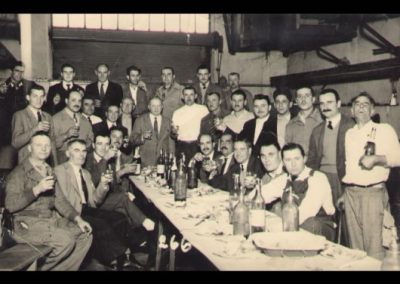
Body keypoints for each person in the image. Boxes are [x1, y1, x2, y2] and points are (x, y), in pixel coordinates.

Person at [5, 132, 92, 271]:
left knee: (84, 235)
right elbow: (10, 205)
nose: (44, 148)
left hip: (48, 220)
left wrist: (78, 219)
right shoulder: (18, 173)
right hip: (26, 224)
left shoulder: (49, 170)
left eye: (47, 145)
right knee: (66, 241)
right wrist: (37, 189)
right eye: (39, 145)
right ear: (29, 148)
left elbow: (60, 200)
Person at [339, 92, 400, 260]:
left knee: (375, 249)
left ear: (372, 110)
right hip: (351, 194)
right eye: (357, 104)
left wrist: (377, 159)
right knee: (355, 250)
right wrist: (345, 192)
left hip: (373, 194)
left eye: (365, 104)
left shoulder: (384, 130)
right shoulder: (349, 134)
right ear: (351, 111)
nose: (361, 107)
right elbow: (349, 166)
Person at [54, 139, 132, 269]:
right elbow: (61, 200)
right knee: (101, 224)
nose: (81, 154)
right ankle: (117, 258)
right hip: (73, 212)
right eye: (76, 150)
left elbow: (94, 201)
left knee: (119, 218)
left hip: (87, 208)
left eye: (84, 151)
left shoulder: (86, 173)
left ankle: (114, 258)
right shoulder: (59, 171)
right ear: (68, 153)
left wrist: (103, 184)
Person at [85, 130, 155, 256]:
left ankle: (132, 247)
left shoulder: (108, 160)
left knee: (124, 210)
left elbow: (112, 185)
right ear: (93, 145)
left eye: (107, 144)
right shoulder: (88, 160)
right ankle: (143, 226)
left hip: (107, 198)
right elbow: (96, 182)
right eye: (100, 144)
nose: (104, 147)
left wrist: (123, 193)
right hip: (92, 201)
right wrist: (106, 160)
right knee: (124, 201)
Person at [258, 143, 336, 241]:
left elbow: (306, 212)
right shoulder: (284, 179)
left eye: (297, 159)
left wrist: (278, 227)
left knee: (309, 224)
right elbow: (259, 195)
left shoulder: (318, 178)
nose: (293, 164)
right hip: (293, 227)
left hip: (319, 229)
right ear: (283, 162)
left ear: (304, 159)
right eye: (288, 160)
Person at [307, 88, 354, 206]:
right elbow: (312, 159)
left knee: (344, 218)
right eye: (322, 103)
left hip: (343, 178)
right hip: (322, 178)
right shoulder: (317, 131)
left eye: (329, 102)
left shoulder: (351, 126)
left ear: (338, 103)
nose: (325, 106)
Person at [11, 85, 58, 165]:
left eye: (41, 97)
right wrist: (35, 129)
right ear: (28, 97)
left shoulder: (48, 116)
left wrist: (55, 165)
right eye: (35, 96)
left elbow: (52, 143)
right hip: (26, 163)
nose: (38, 100)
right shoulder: (19, 115)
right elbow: (15, 143)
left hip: (45, 163)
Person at [0, 61, 37, 148]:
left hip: (23, 127)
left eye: (22, 72)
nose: (19, 74)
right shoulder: (3, 86)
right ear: (11, 71)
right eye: (17, 71)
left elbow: (39, 91)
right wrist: (1, 94)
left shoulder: (28, 85)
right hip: (6, 128)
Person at [131, 96, 174, 167]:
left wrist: (171, 158)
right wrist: (142, 136)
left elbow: (171, 142)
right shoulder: (140, 120)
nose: (156, 108)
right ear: (149, 107)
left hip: (163, 161)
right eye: (153, 106)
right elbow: (133, 139)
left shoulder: (168, 121)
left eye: (158, 106)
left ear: (162, 107)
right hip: (145, 161)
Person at [53, 90, 94, 164]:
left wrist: (88, 144)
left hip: (82, 161)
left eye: (79, 101)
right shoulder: (56, 119)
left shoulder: (85, 120)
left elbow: (90, 142)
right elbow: (51, 145)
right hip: (63, 161)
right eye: (73, 100)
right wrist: (66, 135)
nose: (77, 104)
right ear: (66, 101)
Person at [171, 86, 209, 165]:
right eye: (186, 95)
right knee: (181, 171)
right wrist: (173, 132)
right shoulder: (177, 112)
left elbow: (208, 130)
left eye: (191, 95)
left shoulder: (203, 109)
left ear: (195, 96)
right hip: (182, 146)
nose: (188, 97)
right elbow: (173, 134)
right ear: (182, 97)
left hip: (197, 146)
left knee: (198, 171)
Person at [285, 86, 322, 155]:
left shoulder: (322, 120)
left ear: (313, 99)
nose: (303, 99)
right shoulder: (290, 124)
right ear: (296, 101)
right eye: (300, 96)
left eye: (307, 95)